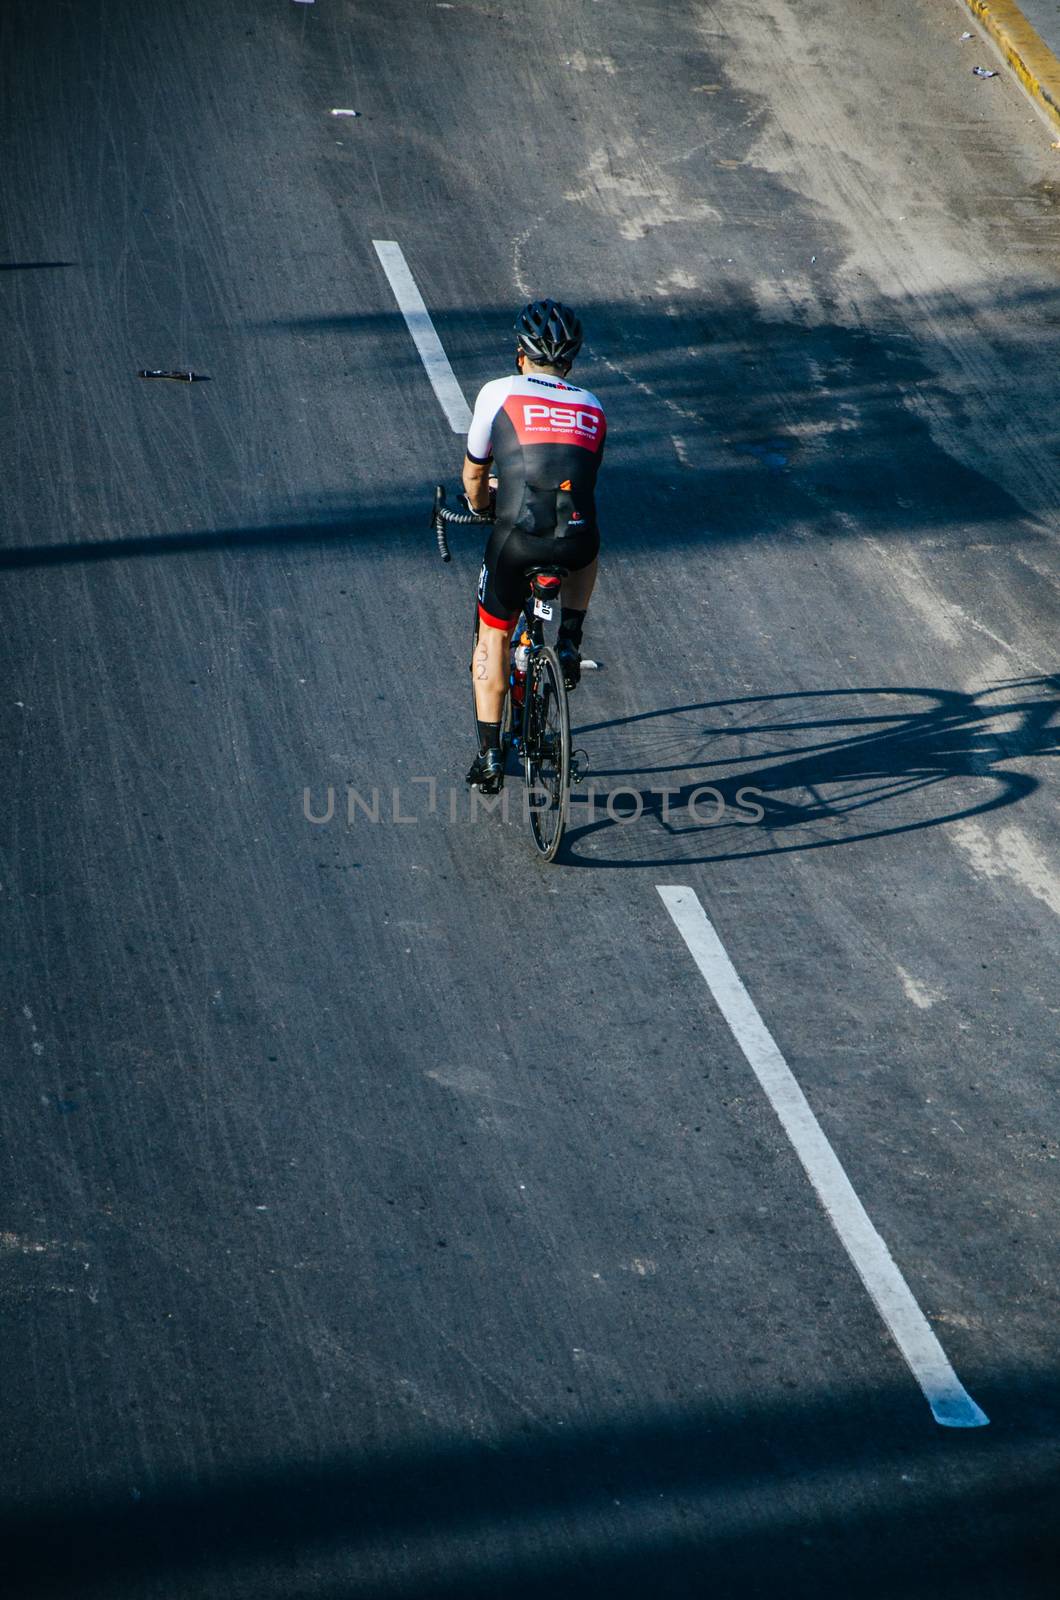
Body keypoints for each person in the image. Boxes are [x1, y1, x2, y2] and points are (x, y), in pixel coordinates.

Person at [463, 299, 607, 794]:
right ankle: (568, 638)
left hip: (517, 539)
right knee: (588, 537)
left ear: (519, 354)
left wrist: (483, 506)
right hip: (573, 536)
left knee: (494, 637)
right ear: (570, 362)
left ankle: (488, 754)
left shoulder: (497, 392)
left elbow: (476, 472)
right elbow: (577, 478)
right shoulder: (593, 406)